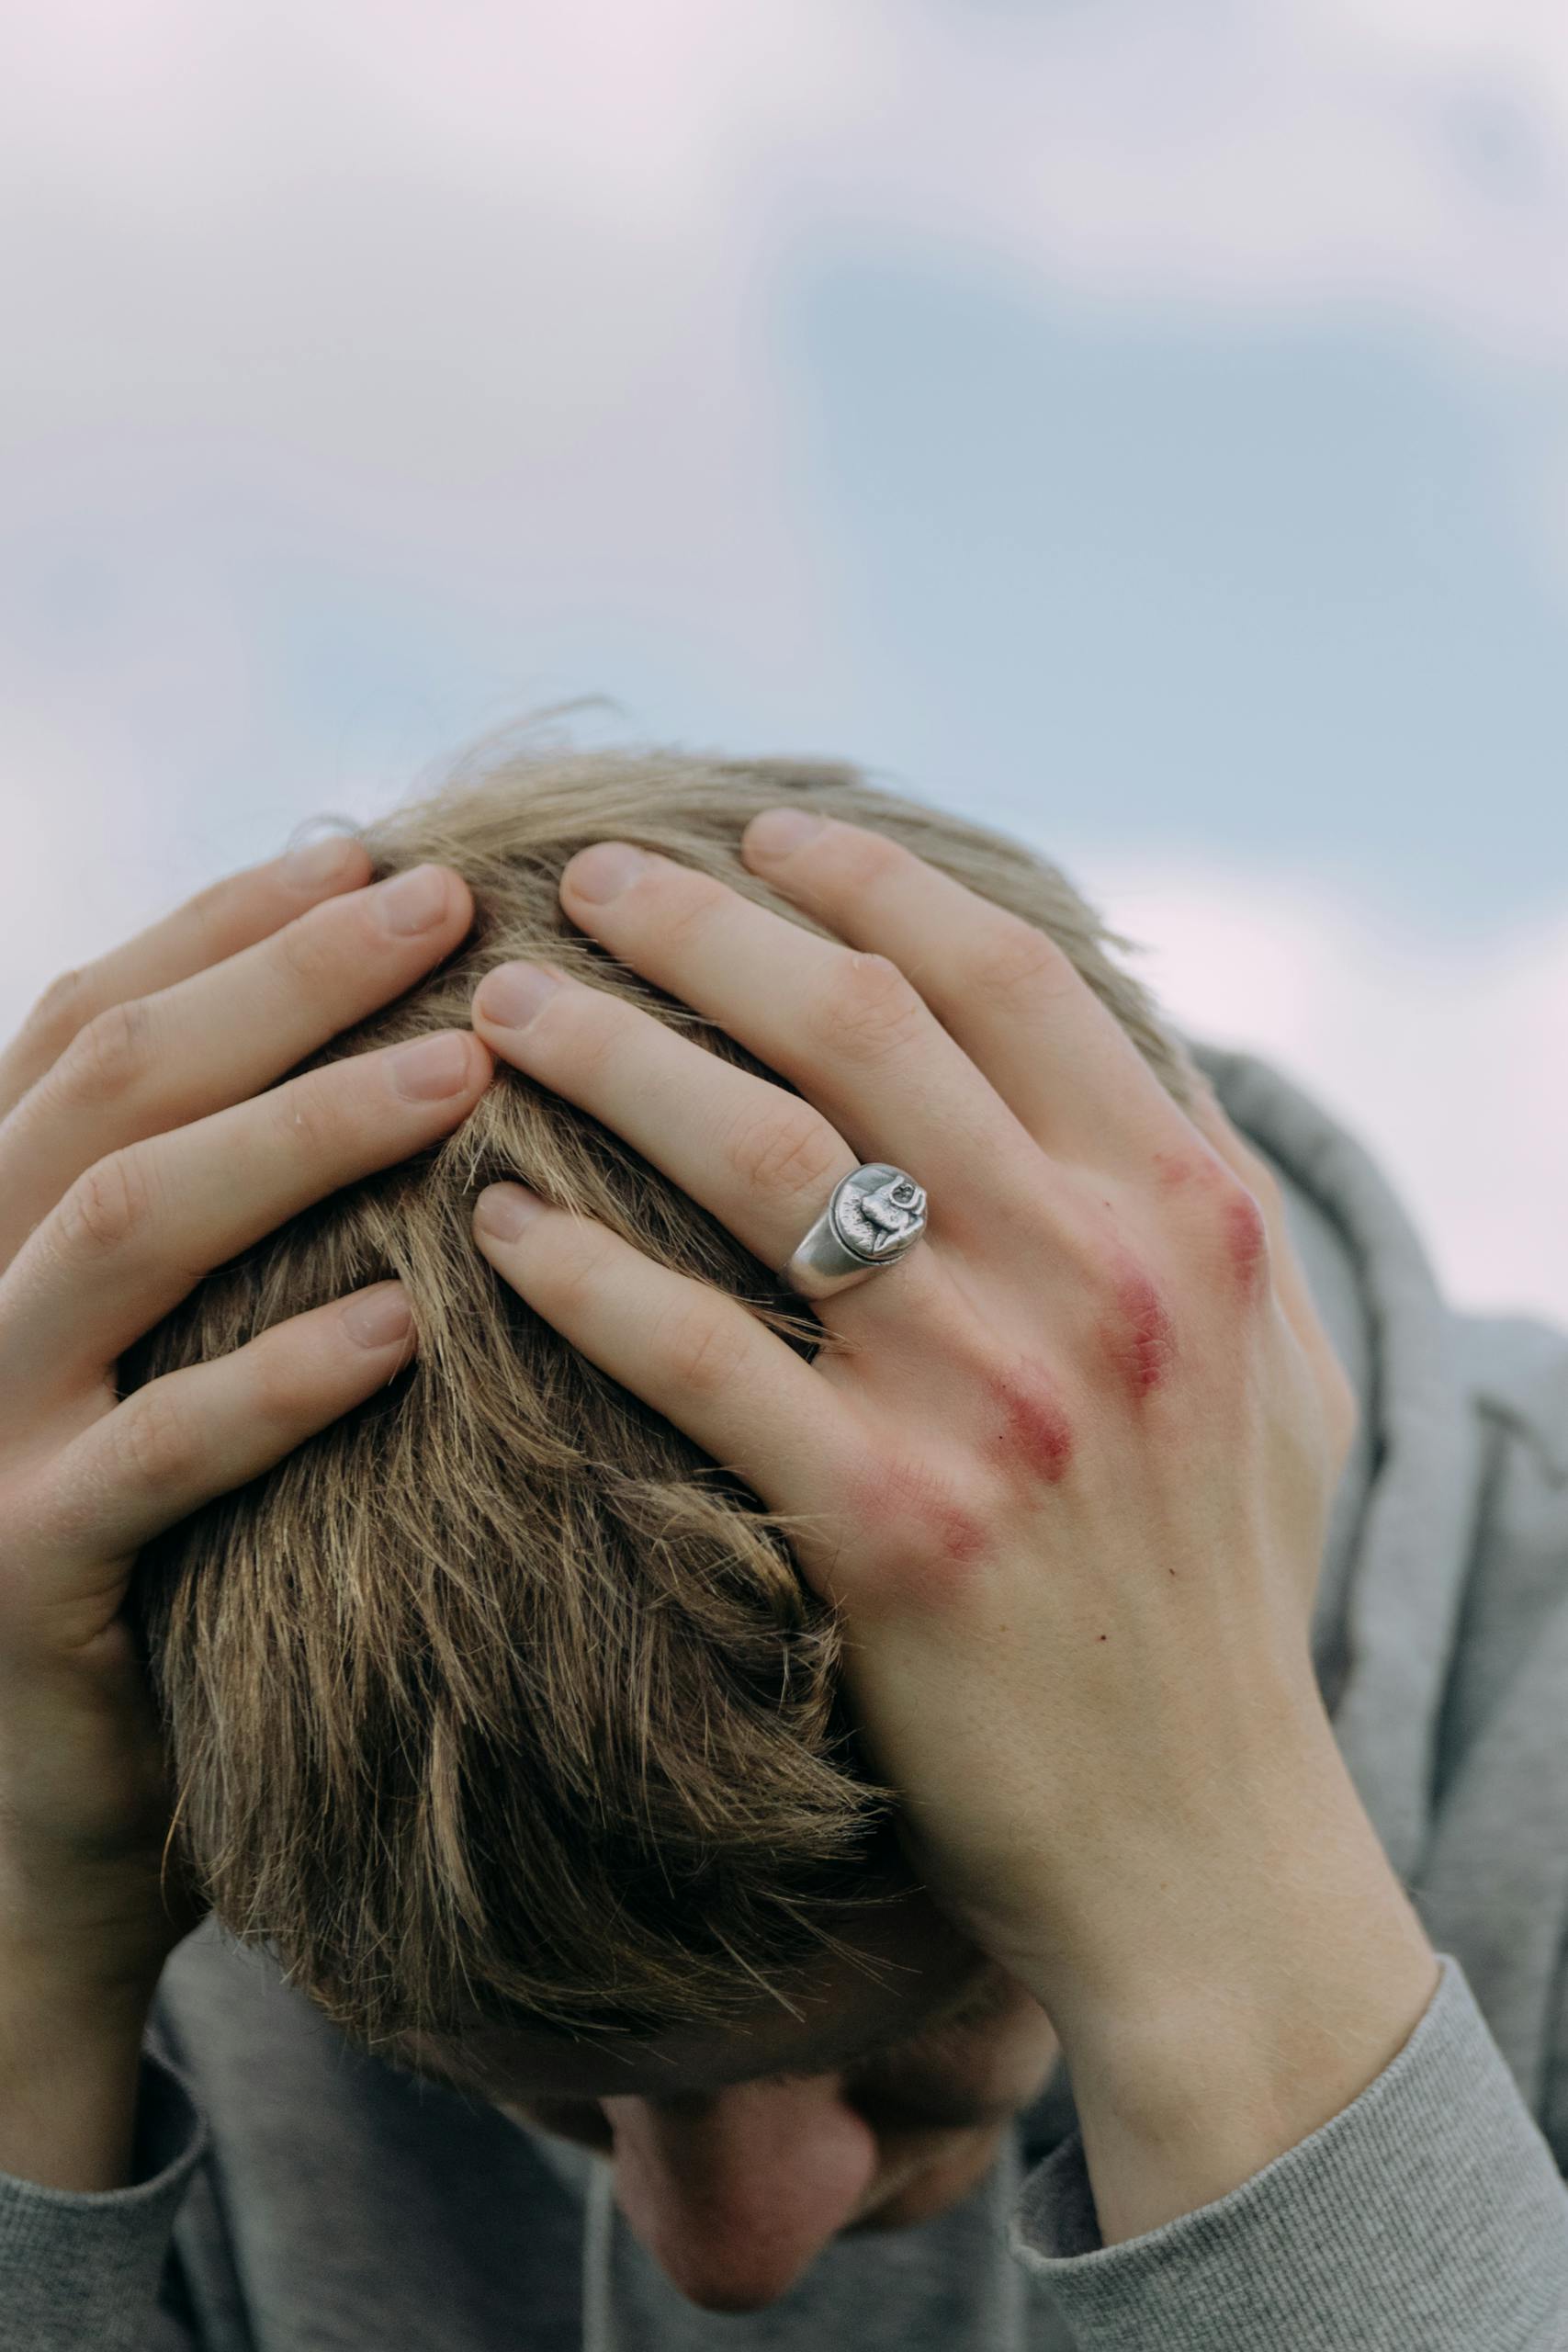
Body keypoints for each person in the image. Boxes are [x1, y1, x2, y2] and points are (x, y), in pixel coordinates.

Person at [0, 739, 1564, 2352]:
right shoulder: (117, 1695)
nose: (731, 2256)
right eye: (564, 2096)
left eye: (931, 2015)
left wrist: (1233, 1945)